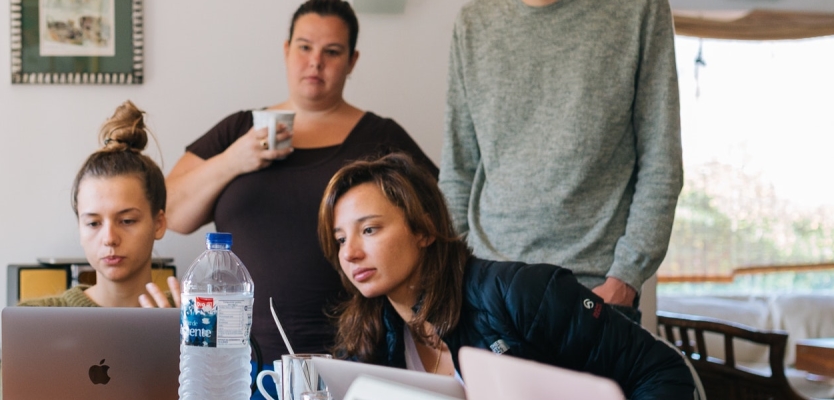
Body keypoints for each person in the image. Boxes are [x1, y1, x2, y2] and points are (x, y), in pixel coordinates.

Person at [165, 0, 435, 372]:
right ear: (286, 49)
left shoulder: (381, 137)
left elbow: (435, 223)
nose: (315, 62)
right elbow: (172, 215)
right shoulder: (238, 129)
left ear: (352, 61)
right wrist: (234, 160)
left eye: (332, 51)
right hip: (236, 364)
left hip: (356, 359)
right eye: (305, 47)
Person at [317, 154, 696, 399]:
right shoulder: (368, 337)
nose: (349, 253)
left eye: (369, 230)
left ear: (424, 230)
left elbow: (661, 371)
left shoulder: (522, 295)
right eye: (339, 239)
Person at [438, 0, 683, 318]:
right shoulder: (474, 20)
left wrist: (625, 278)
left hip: (592, 295)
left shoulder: (639, 8)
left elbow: (661, 162)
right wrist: (453, 274)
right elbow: (458, 168)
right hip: (486, 289)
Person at [20, 101, 180, 308]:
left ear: (158, 224)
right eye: (94, 223)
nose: (109, 239)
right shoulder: (34, 319)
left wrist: (179, 340)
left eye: (127, 220)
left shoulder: (195, 322)